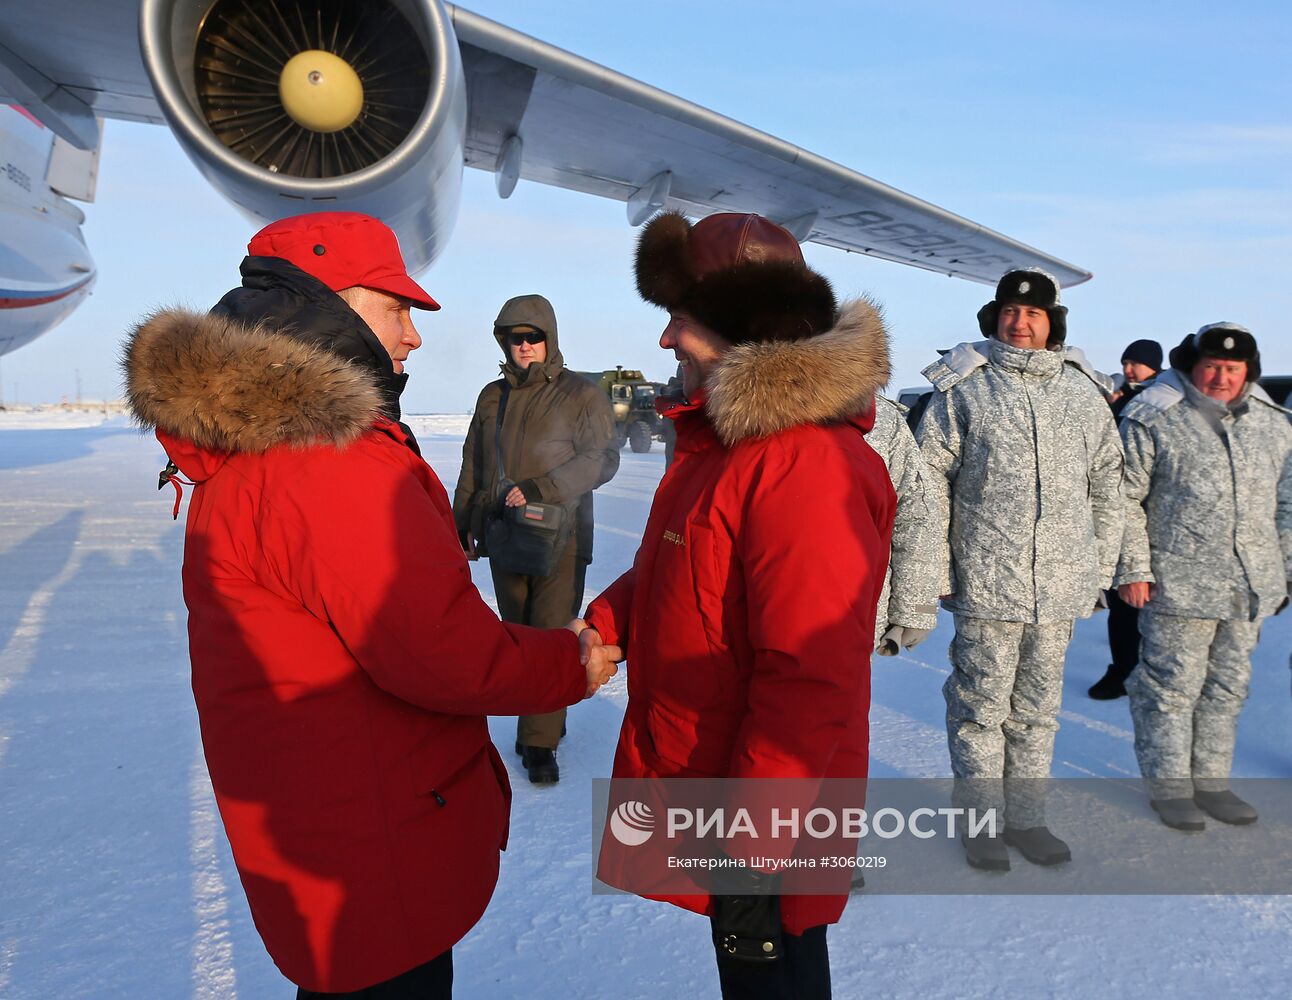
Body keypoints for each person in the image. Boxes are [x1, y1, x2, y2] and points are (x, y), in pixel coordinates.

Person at [121, 212, 617, 997]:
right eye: (398, 308)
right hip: (370, 838)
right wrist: (572, 662)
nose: (414, 336)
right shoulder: (333, 462)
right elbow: (441, 652)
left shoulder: (256, 450)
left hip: (323, 817)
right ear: (334, 303)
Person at [585, 211, 895, 998]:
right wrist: (606, 624)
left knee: (779, 975)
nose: (665, 343)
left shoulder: (803, 466)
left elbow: (810, 672)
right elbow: (687, 568)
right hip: (725, 788)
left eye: (678, 322)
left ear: (738, 327)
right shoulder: (732, 448)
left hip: (765, 821)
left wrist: (752, 852)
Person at [918, 268, 1123, 871]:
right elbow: (929, 485)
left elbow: (1108, 482)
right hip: (987, 580)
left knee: (1036, 711)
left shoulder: (1083, 393)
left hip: (1060, 584)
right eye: (1010, 311)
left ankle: (1028, 819)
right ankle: (981, 823)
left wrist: (1099, 567)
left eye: (1033, 314)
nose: (1020, 322)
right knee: (981, 707)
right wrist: (936, 569)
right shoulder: (963, 390)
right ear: (995, 318)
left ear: (1052, 323)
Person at [1115, 323, 1292, 830]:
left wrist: (1283, 568)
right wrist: (1132, 566)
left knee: (1228, 687)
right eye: (1210, 366)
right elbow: (1123, 498)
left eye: (1232, 369)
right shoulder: (1154, 417)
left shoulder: (1274, 423)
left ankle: (1212, 784)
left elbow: (1287, 502)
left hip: (1249, 584)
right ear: (1192, 367)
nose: (1220, 377)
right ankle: (1170, 790)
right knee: (1169, 688)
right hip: (1178, 583)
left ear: (1247, 373)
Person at [453, 294, 619, 784]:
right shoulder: (491, 397)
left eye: (533, 337)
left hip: (561, 537)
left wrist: (542, 489)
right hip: (505, 534)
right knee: (519, 636)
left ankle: (539, 743)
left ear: (549, 339)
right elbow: (473, 464)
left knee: (551, 635)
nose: (524, 347)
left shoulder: (580, 395)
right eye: (515, 338)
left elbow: (602, 459)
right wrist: (461, 521)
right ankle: (541, 713)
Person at [1090, 338, 1164, 700]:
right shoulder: (1120, 395)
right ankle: (1122, 670)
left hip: (1154, 520)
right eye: (1126, 362)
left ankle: (1148, 672)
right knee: (1121, 603)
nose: (1130, 369)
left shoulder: (1159, 400)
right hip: (1120, 511)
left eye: (1138, 363)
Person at [867, 395, 940, 656]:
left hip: (856, 618)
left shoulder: (878, 417)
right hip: (748, 619)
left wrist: (917, 609)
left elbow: (915, 511)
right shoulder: (743, 407)